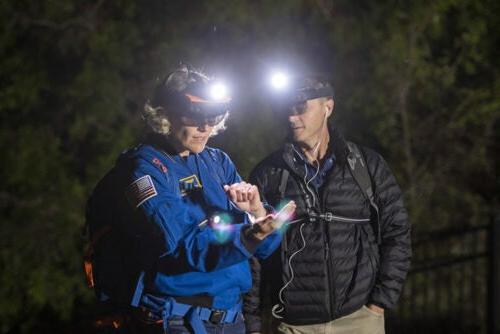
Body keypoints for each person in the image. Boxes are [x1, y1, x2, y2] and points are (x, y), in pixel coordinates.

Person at [85, 64, 295, 334]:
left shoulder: (217, 161)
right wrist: (248, 236)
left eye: (213, 115)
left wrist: (256, 211)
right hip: (177, 319)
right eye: (195, 115)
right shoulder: (143, 170)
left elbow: (264, 248)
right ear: (166, 113)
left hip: (231, 318)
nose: (205, 126)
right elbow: (178, 245)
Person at [244, 73, 411, 334]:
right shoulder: (268, 174)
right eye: (287, 109)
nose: (291, 117)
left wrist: (380, 301)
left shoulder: (365, 165)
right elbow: (252, 254)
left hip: (359, 319)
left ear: (327, 107)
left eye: (301, 108)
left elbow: (397, 232)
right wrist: (252, 323)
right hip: (293, 325)